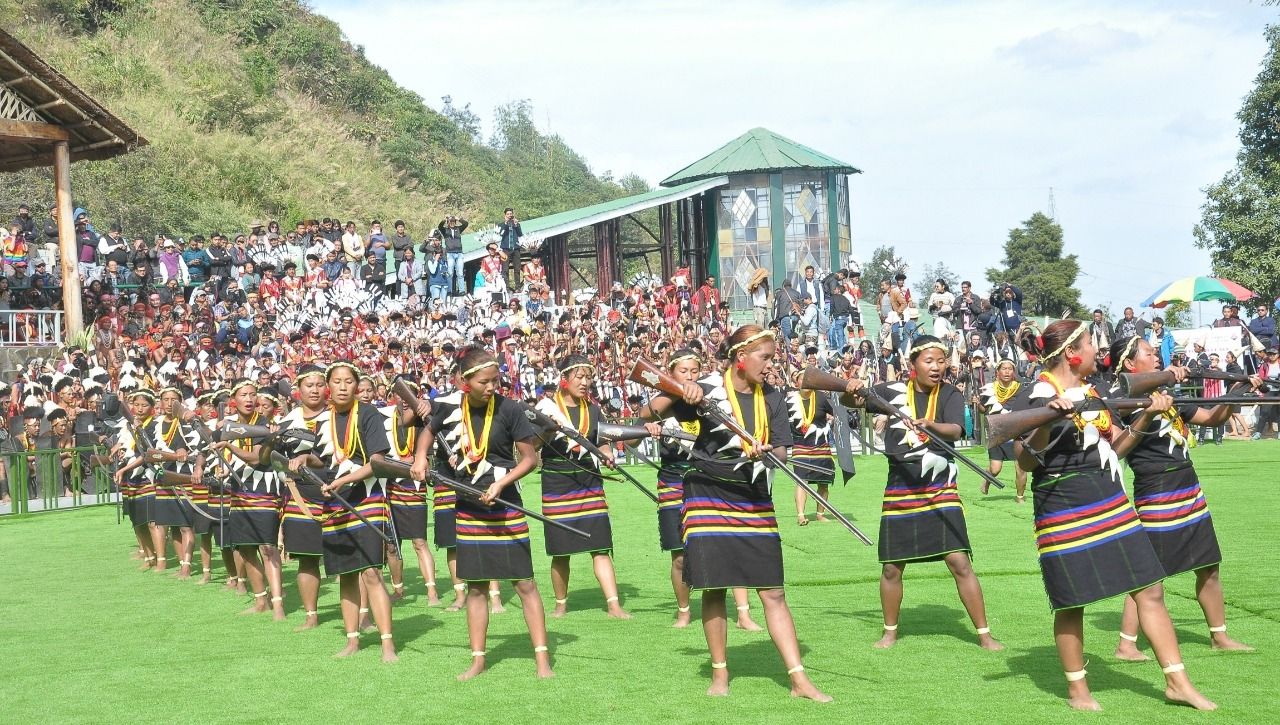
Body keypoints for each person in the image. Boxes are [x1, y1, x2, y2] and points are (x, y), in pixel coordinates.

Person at [1010, 320, 1215, 711]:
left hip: (1111, 498)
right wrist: (1048, 418)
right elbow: (1024, 460)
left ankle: (1178, 683)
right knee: (1072, 602)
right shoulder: (1036, 394)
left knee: (1150, 589)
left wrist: (1146, 416)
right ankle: (1078, 691)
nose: (1096, 351)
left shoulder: (1096, 391)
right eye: (1090, 344)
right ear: (1072, 353)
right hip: (1062, 505)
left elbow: (1117, 449)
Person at [641, 324, 830, 702]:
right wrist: (679, 391)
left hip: (755, 497)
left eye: (772, 358)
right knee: (714, 588)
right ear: (741, 358)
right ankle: (720, 675)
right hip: (706, 495)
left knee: (773, 591)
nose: (770, 365)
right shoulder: (707, 387)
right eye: (765, 357)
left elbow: (782, 450)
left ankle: (799, 679)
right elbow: (646, 412)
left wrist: (766, 452)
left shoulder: (774, 396)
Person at [841, 335, 1002, 652]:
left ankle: (984, 634)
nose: (937, 367)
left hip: (940, 486)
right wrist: (850, 390)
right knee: (891, 566)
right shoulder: (892, 392)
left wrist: (932, 426)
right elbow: (855, 402)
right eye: (929, 361)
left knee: (959, 561)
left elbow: (957, 429)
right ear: (912, 364)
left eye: (941, 361)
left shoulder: (950, 394)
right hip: (900, 486)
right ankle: (889, 632)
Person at [1106, 336, 1254, 661]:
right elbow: (1118, 450)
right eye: (1148, 353)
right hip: (1157, 491)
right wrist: (1147, 412)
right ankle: (1126, 645)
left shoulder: (1165, 394)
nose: (1156, 357)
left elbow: (1213, 419)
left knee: (1209, 565)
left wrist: (1238, 391)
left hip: (1189, 487)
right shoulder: (1120, 399)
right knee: (1149, 575)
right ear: (1131, 364)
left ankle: (1220, 636)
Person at [413, 347, 553, 680]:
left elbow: (530, 459)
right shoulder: (448, 408)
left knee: (525, 584)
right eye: (484, 382)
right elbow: (427, 432)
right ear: (464, 380)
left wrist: (502, 483)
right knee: (475, 588)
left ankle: (543, 659)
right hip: (469, 508)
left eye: (495, 380)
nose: (491, 387)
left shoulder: (511, 409)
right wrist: (420, 457)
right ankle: (478, 659)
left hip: (506, 508)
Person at [283, 362, 397, 661]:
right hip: (335, 501)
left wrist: (344, 479)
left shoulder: (369, 414)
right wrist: (307, 457)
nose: (343, 386)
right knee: (345, 574)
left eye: (349, 381)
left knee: (371, 572)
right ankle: (352, 640)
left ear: (356, 385)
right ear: (329, 386)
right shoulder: (324, 421)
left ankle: (387, 644)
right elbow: (325, 460)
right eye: (337, 381)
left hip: (368, 497)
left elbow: (378, 461)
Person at [533, 355, 630, 618]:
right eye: (580, 377)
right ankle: (560, 604)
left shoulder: (594, 410)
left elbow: (601, 441)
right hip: (557, 483)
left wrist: (606, 453)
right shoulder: (546, 409)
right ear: (564, 379)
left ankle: (613, 605)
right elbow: (533, 446)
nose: (585, 383)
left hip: (589, 482)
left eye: (588, 377)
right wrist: (549, 431)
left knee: (600, 546)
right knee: (560, 550)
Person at [211, 380, 283, 620]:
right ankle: (261, 599)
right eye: (244, 395)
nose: (250, 399)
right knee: (246, 548)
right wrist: (222, 468)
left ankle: (278, 603)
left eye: (253, 394)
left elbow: (256, 459)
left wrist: (229, 446)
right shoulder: (228, 425)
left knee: (268, 548)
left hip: (264, 490)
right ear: (235, 399)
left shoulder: (266, 426)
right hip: (239, 493)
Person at [272, 366, 329, 630]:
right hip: (300, 496)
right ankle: (311, 615)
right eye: (309, 385)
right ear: (299, 389)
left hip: (339, 492)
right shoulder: (286, 423)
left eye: (319, 384)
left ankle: (363, 615)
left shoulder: (340, 416)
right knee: (307, 559)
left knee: (354, 558)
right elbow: (274, 461)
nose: (315, 390)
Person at [382, 381, 441, 606]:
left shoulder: (423, 419)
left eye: (411, 394)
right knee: (391, 543)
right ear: (392, 396)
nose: (405, 399)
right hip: (389, 487)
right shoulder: (384, 418)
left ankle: (432, 592)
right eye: (400, 394)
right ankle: (398, 591)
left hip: (414, 486)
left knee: (419, 541)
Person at [787, 370, 836, 525]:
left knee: (824, 481)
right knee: (801, 480)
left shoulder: (821, 397)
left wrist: (832, 418)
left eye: (808, 379)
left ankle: (820, 514)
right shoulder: (789, 401)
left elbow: (836, 412)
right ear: (796, 383)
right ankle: (801, 515)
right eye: (802, 379)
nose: (806, 382)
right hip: (800, 445)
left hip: (821, 445)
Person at [977, 358, 1028, 502]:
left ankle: (1020, 497)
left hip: (1016, 432)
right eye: (1004, 369)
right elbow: (983, 409)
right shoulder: (990, 388)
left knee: (1020, 466)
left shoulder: (1021, 388)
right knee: (995, 469)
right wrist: (978, 404)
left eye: (1010, 369)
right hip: (996, 433)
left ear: (1013, 372)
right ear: (998, 372)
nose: (1007, 372)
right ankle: (987, 480)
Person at [438, 216, 468, 295]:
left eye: (453, 221)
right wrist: (445, 219)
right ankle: (449, 290)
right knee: (450, 273)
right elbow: (439, 226)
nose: (452, 223)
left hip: (459, 253)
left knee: (460, 273)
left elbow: (466, 224)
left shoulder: (458, 229)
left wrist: (458, 219)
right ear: (448, 222)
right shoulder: (445, 230)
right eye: (450, 221)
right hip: (450, 253)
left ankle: (461, 290)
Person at [497, 208, 523, 289]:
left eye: (510, 214)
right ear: (505, 215)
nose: (509, 215)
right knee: (505, 269)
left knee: (517, 268)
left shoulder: (516, 224)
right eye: (508, 214)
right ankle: (507, 287)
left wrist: (516, 224)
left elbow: (520, 234)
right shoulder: (501, 224)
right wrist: (505, 223)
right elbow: (500, 234)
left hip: (515, 248)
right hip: (505, 249)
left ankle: (518, 286)